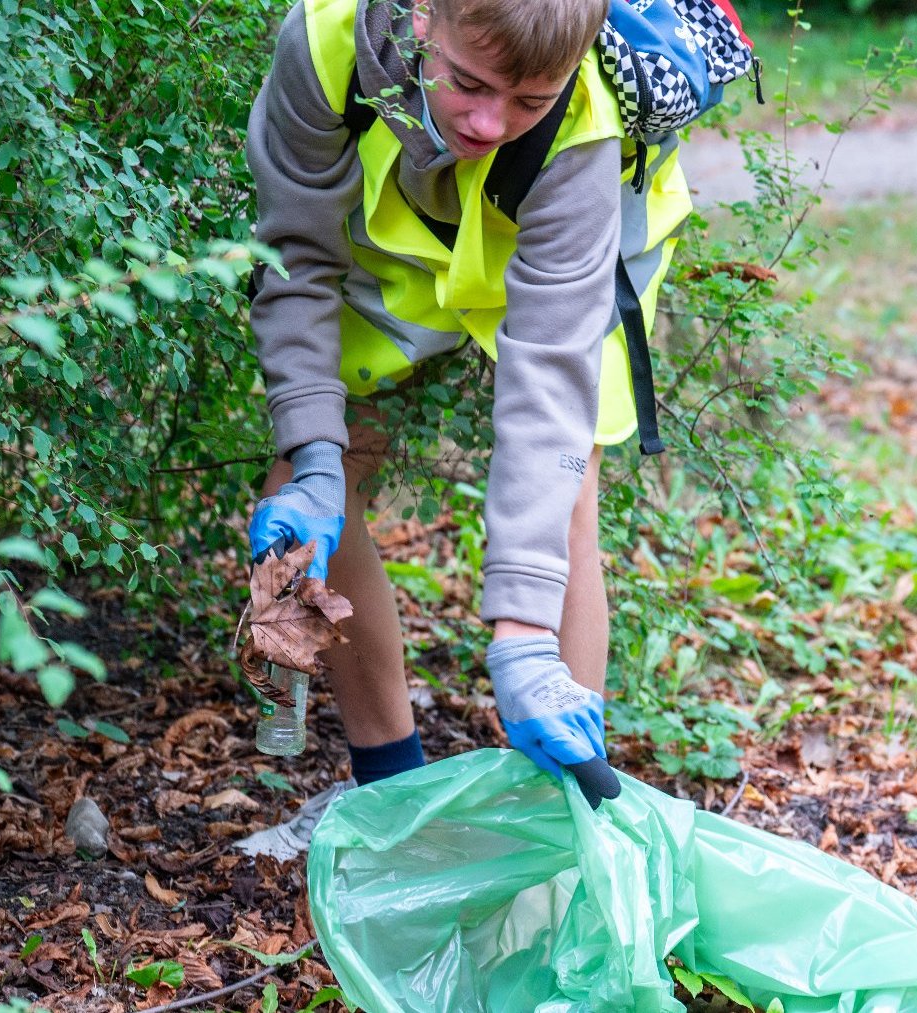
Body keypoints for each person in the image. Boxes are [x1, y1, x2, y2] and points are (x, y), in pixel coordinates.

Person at [238, 0, 693, 857]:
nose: (490, 122)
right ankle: (396, 805)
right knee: (304, 488)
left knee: (563, 500)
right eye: (473, 84)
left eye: (528, 100)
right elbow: (295, 259)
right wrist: (317, 465)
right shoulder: (326, 40)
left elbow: (548, 390)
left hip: (565, 238)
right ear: (420, 15)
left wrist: (519, 640)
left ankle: (563, 837)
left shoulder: (583, 128)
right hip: (403, 238)